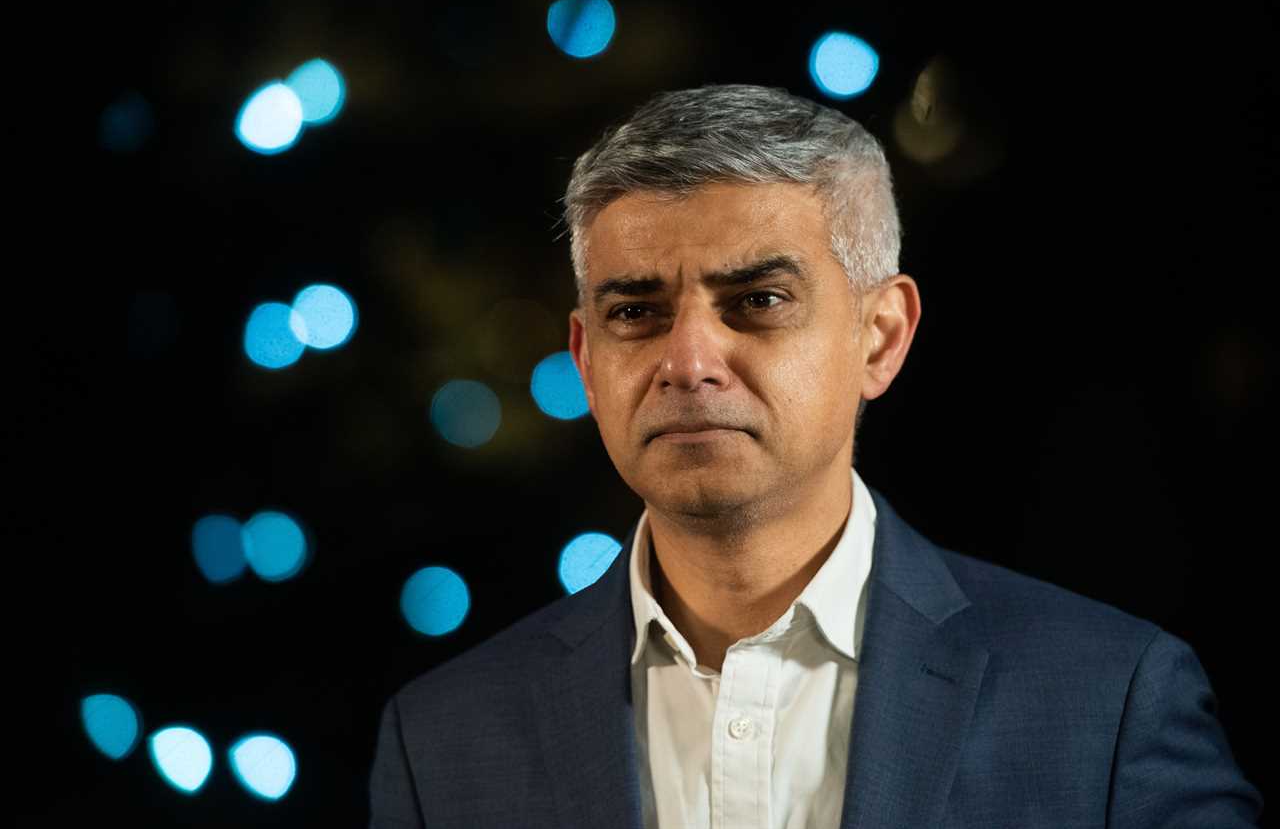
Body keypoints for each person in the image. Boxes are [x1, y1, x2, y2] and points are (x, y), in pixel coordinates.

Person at [369, 84, 1263, 828]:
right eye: (635, 312)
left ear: (881, 338)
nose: (686, 362)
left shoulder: (1108, 703)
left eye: (756, 300)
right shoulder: (441, 742)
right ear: (586, 362)